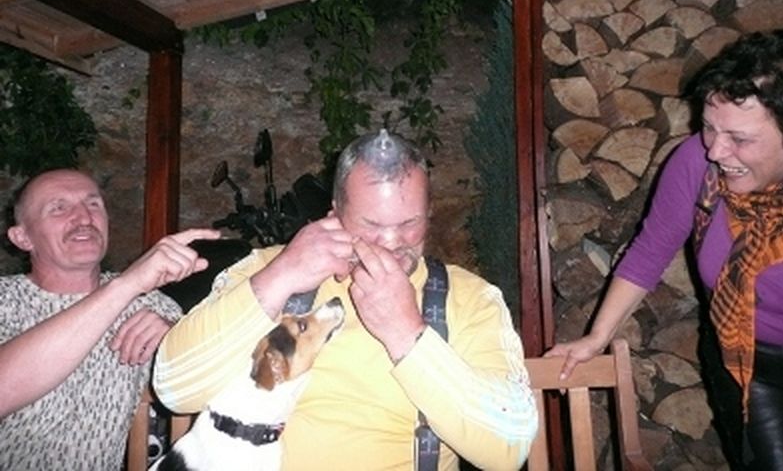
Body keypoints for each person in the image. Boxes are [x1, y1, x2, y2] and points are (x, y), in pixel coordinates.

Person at [153, 129, 537, 470]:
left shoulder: (471, 299)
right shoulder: (267, 268)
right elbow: (174, 388)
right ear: (335, 214)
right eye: (371, 225)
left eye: (409, 223)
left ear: (429, 213)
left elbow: (510, 448)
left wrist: (407, 333)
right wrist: (281, 276)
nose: (391, 242)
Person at [546, 30, 783, 470]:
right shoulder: (696, 165)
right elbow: (649, 252)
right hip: (746, 365)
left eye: (739, 138)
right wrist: (597, 337)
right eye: (709, 127)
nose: (716, 150)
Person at [0, 168, 219, 470]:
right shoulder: (5, 299)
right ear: (22, 237)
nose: (83, 217)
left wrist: (175, 337)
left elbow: (216, 380)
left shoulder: (150, 304)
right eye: (59, 208)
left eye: (93, 204)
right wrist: (126, 285)